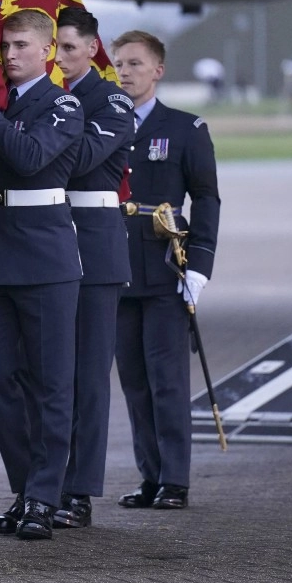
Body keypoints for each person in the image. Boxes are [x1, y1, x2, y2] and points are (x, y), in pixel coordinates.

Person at [0, 8, 84, 541]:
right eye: (5, 47)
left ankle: (44, 496)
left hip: (43, 259)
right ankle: (26, 487)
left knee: (50, 383)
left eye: (20, 46)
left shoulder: (61, 104)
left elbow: (33, 156)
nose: (9, 55)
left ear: (46, 51)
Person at [110, 30, 220, 510]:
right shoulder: (105, 124)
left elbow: (207, 197)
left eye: (135, 63)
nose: (125, 71)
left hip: (163, 264)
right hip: (116, 266)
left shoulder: (185, 128)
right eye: (119, 63)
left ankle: (176, 478)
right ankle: (150, 475)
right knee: (133, 379)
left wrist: (199, 267)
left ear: (158, 70)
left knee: (167, 378)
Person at [53, 7, 135, 528]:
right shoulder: (38, 98)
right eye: (53, 47)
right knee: (46, 371)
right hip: (44, 238)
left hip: (94, 245)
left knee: (86, 373)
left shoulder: (111, 100)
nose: (57, 57)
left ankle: (79, 488)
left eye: (66, 48)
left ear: (91, 48)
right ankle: (45, 479)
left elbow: (76, 158)